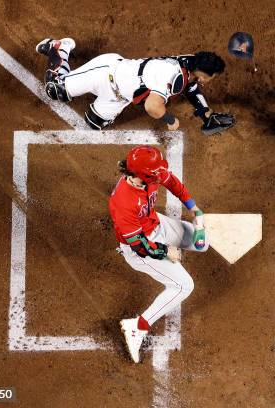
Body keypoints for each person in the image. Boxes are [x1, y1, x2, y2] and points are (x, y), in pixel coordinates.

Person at [108, 145, 208, 363]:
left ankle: (175, 245)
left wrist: (194, 208)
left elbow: (171, 182)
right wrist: (166, 251)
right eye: (155, 173)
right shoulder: (122, 203)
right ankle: (137, 326)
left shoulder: (148, 173)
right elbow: (140, 246)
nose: (159, 175)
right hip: (141, 250)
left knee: (202, 243)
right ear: (141, 175)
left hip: (157, 224)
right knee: (184, 286)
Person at [34, 38, 235, 135]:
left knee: (93, 123)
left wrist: (206, 114)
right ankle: (59, 48)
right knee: (55, 90)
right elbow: (152, 107)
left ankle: (96, 101)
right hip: (106, 73)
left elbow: (191, 88)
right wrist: (170, 119)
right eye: (211, 77)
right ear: (201, 73)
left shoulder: (191, 62)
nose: (210, 80)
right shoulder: (172, 76)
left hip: (118, 97)